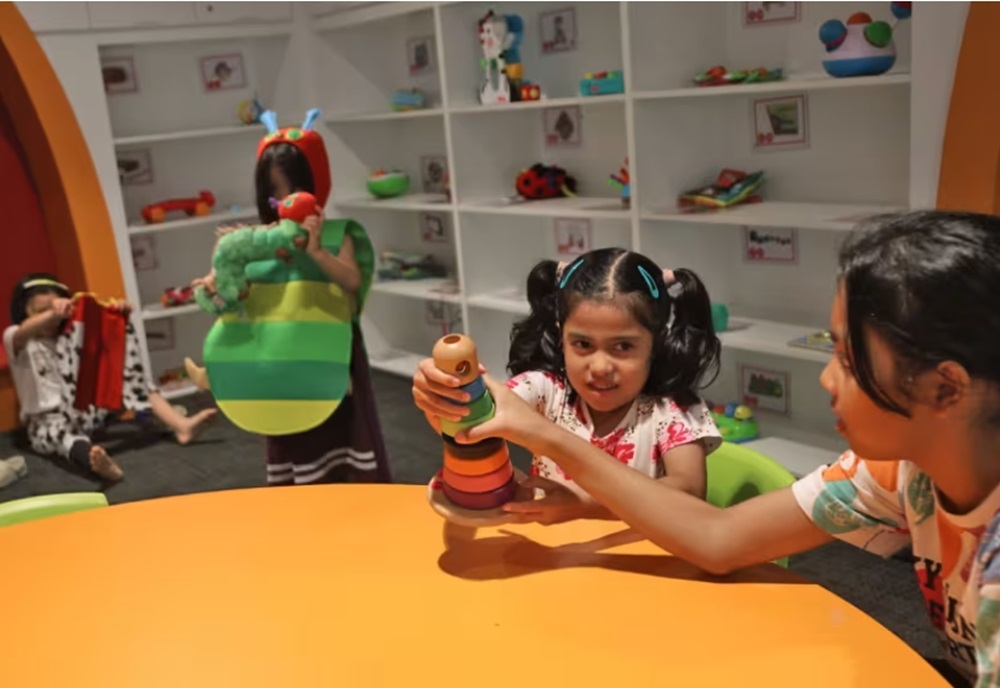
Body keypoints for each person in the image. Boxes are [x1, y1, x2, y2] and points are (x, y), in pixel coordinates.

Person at [435, 211, 1000, 688]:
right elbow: (720, 540)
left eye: (849, 361)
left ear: (945, 390)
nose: (827, 378)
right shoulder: (893, 472)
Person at [412, 247, 723, 524]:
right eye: (583, 343)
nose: (600, 367)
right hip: (555, 562)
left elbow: (689, 495)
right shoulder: (547, 391)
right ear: (562, 337)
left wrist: (586, 505)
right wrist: (445, 395)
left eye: (623, 347)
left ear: (657, 342)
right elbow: (473, 423)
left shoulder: (672, 410)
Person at [191, 109, 391, 485]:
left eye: (291, 190)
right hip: (277, 362)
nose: (283, 202)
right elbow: (234, 287)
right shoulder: (254, 241)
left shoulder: (337, 234)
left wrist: (317, 252)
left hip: (327, 357)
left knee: (339, 439)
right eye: (274, 193)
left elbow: (351, 280)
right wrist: (216, 280)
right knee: (288, 436)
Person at [3, 273, 216, 482]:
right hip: (49, 421)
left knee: (133, 382)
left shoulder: (71, 334)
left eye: (56, 306)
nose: (51, 315)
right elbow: (23, 331)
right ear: (23, 312)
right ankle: (95, 462)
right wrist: (54, 312)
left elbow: (107, 349)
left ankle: (181, 426)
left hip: (84, 411)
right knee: (62, 437)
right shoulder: (17, 339)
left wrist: (118, 314)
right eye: (40, 311)